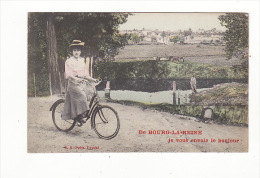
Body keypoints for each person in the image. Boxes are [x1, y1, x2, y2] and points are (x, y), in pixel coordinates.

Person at [62, 40, 98, 124]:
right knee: (82, 96)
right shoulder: (69, 61)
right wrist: (76, 79)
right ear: (72, 51)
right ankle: (79, 117)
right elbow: (68, 74)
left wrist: (92, 79)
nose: (76, 52)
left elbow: (85, 74)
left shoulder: (82, 61)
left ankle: (81, 114)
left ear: (80, 51)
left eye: (78, 50)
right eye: (74, 50)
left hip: (81, 83)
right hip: (73, 84)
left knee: (89, 95)